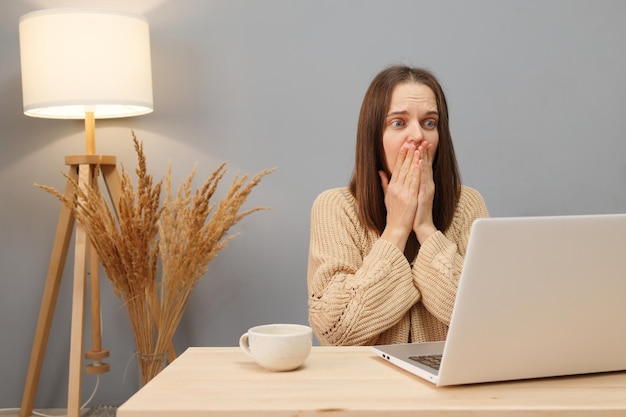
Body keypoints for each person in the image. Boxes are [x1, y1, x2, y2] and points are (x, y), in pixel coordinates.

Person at [307, 65, 489, 346]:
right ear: (374, 138)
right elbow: (337, 330)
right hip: (367, 385)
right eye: (399, 123)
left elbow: (483, 319)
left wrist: (426, 228)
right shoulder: (335, 207)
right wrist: (397, 229)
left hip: (448, 382)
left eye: (429, 123)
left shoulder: (468, 204)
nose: (418, 135)